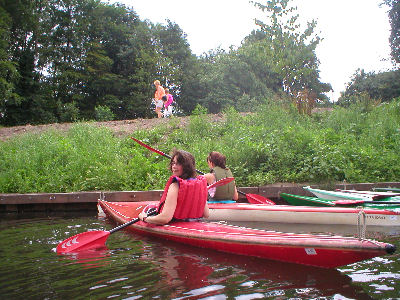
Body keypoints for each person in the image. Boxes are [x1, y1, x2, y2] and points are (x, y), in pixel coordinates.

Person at [138, 150, 210, 225]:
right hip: (195, 224)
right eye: (173, 163)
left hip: (176, 224)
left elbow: (165, 218)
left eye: (178, 164)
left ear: (187, 166)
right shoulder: (199, 184)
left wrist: (145, 218)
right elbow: (206, 214)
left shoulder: (175, 186)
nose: (174, 167)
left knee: (149, 208)